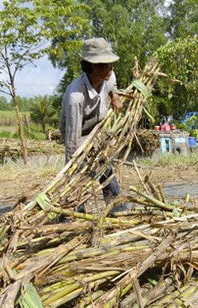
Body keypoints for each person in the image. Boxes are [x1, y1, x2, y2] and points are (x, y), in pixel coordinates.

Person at [60, 38, 126, 213]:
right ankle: (73, 214)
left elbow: (113, 84)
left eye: (111, 64)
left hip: (96, 134)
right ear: (93, 66)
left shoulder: (108, 77)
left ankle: (117, 210)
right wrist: (72, 167)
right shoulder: (76, 96)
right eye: (106, 65)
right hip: (78, 136)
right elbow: (72, 141)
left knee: (106, 171)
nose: (111, 69)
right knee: (79, 177)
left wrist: (115, 96)